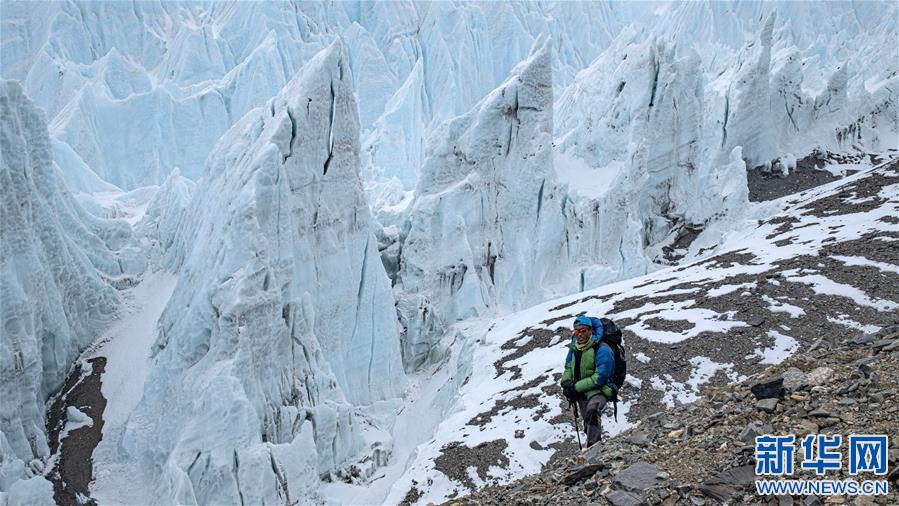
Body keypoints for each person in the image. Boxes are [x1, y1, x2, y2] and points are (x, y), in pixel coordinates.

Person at [560, 315, 616, 447]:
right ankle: (595, 449)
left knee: (592, 412)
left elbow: (599, 378)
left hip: (599, 391)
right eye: (576, 331)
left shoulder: (602, 349)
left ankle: (593, 448)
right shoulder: (575, 349)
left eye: (583, 330)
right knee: (588, 422)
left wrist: (575, 387)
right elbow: (569, 367)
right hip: (582, 394)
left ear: (591, 330)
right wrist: (565, 382)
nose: (580, 334)